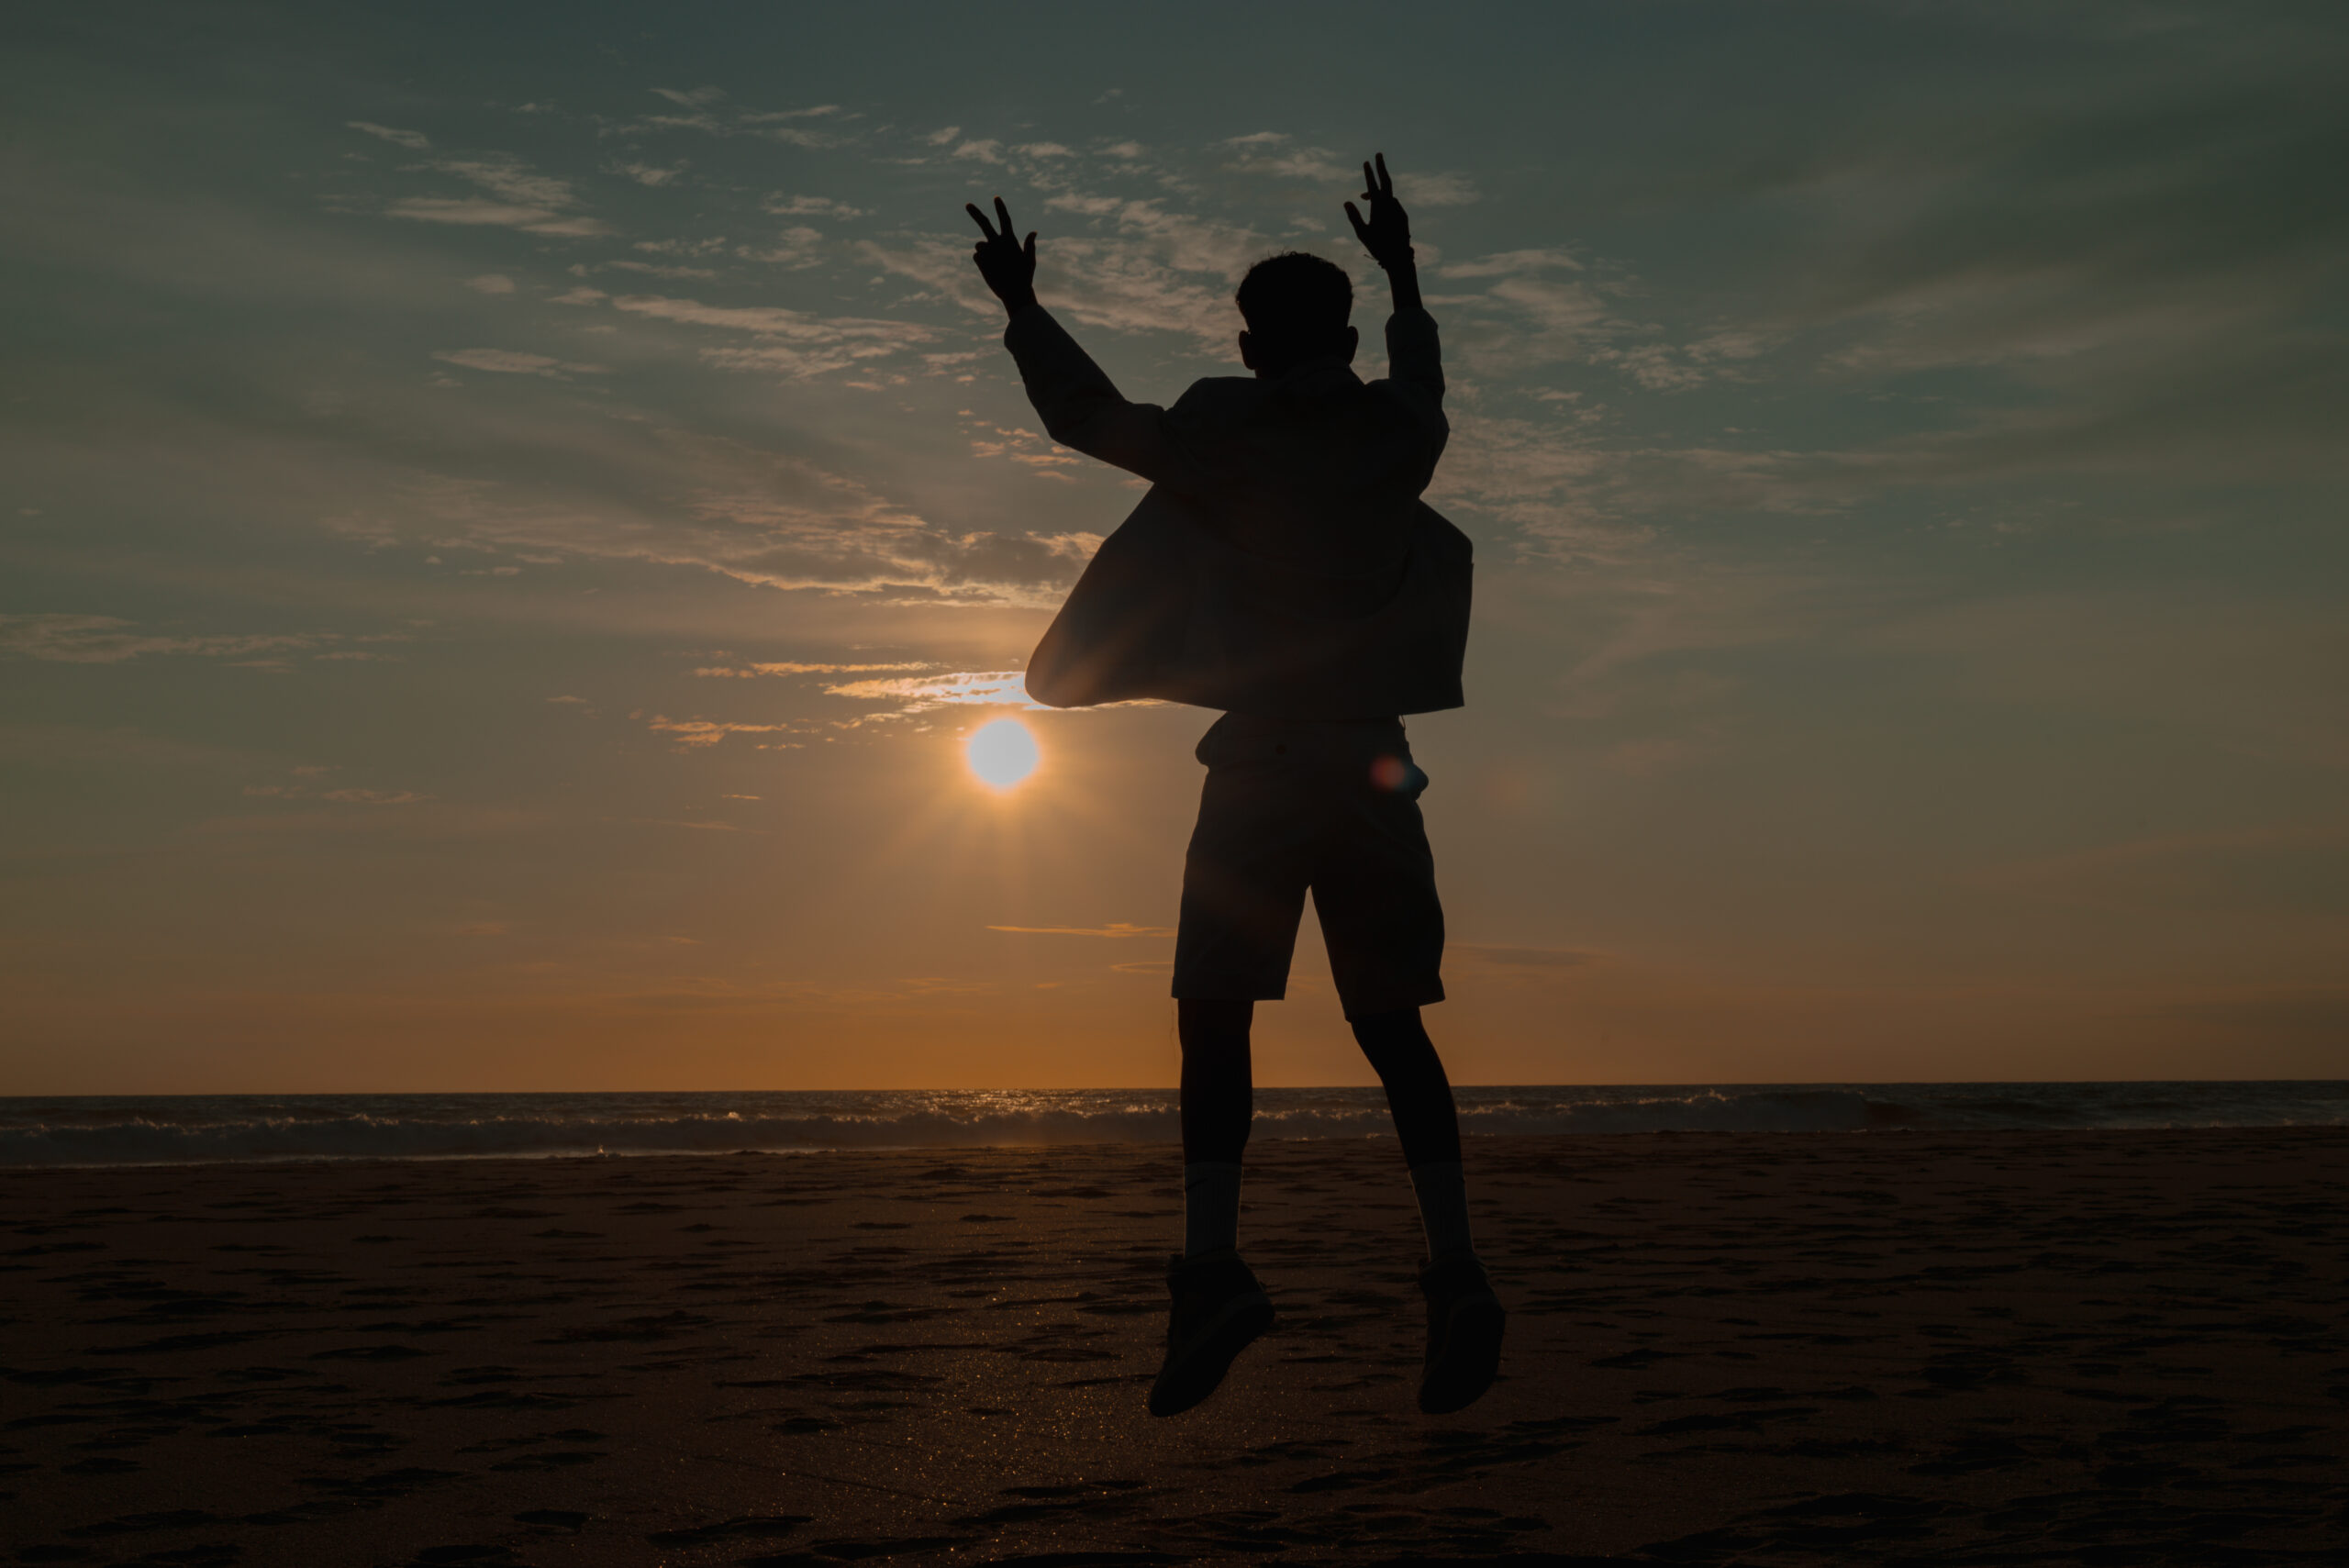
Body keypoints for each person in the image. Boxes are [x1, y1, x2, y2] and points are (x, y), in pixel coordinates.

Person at [966, 155, 1503, 1418]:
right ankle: (1459, 1269)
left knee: (1216, 1013)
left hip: (1261, 758)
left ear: (1250, 343)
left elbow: (1086, 418)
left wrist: (1022, 305)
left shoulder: (1224, 429)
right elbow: (1425, 377)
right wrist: (1408, 269)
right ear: (1351, 335)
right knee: (1391, 1026)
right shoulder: (1396, 434)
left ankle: (1212, 1266)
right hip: (1375, 760)